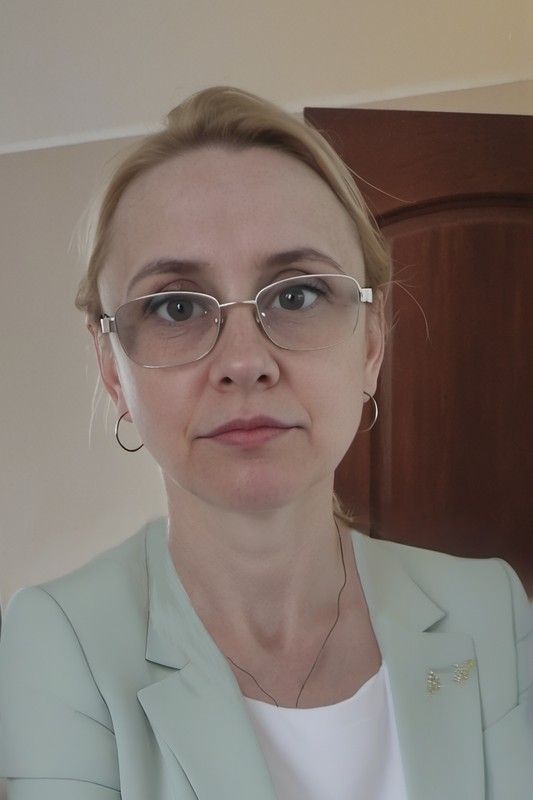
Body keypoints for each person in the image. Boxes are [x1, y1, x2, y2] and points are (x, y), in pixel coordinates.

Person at [0, 87, 531, 800]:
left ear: (371, 343)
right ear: (112, 371)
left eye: (296, 294)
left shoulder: (489, 609)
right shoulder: (58, 643)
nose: (244, 361)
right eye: (176, 306)